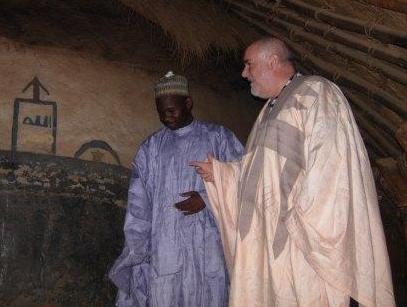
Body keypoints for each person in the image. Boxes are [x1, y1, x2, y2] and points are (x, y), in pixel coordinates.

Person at [191, 38, 395, 307]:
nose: (244, 73)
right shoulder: (269, 112)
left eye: (249, 64)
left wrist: (298, 220)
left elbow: (332, 166)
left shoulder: (316, 93)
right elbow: (260, 171)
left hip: (301, 242)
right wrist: (222, 173)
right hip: (272, 246)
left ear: (272, 61)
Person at [109, 71, 244, 307]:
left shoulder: (219, 138)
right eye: (160, 111)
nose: (165, 116)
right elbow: (138, 209)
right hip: (165, 250)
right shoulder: (150, 149)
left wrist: (207, 199)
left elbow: (245, 180)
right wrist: (137, 252)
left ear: (188, 103)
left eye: (171, 109)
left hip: (208, 248)